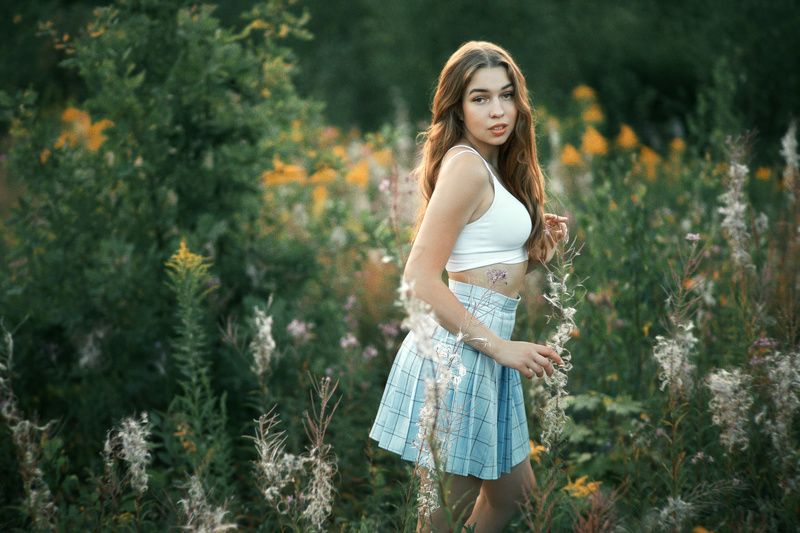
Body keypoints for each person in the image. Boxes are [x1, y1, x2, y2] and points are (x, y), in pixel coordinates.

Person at [368, 40, 569, 532]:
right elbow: (418, 277)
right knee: (442, 518)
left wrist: (534, 249)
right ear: (457, 106)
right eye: (481, 98)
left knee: (513, 497)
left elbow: (480, 262)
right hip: (461, 354)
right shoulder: (465, 166)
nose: (498, 111)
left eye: (506, 95)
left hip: (481, 348)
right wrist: (500, 347)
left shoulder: (489, 165)